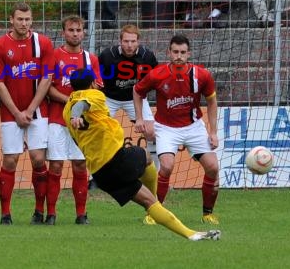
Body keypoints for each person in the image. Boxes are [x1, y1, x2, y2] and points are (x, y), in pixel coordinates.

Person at [65, 68, 220, 241]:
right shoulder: (94, 94)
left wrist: (72, 117)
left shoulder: (65, 110)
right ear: (93, 83)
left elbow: (76, 133)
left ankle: (191, 234)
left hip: (100, 173)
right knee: (145, 156)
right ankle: (159, 200)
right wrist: (75, 116)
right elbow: (81, 105)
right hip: (117, 159)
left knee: (149, 204)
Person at [133, 34, 220, 226]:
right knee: (166, 166)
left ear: (189, 54)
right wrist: (140, 118)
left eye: (182, 52)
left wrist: (213, 132)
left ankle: (207, 214)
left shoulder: (201, 75)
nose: (178, 56)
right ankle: (155, 212)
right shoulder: (158, 74)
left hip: (194, 127)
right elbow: (138, 92)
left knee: (213, 168)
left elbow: (212, 101)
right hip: (166, 128)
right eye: (175, 52)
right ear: (169, 53)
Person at [0, 2, 55, 225]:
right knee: (10, 161)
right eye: (19, 19)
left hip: (37, 111)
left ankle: (39, 211)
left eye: (27, 19)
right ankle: (5, 213)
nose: (24, 23)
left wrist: (30, 110)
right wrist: (17, 112)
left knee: (38, 159)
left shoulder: (43, 43)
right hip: (10, 112)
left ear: (32, 20)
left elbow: (47, 79)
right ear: (11, 20)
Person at [45, 16, 103, 225]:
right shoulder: (53, 56)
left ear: (84, 32)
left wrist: (79, 103)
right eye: (71, 30)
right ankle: (51, 213)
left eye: (79, 30)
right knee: (56, 166)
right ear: (63, 33)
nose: (75, 33)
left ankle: (81, 214)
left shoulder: (91, 59)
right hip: (58, 119)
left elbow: (96, 88)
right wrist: (71, 101)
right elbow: (48, 87)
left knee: (79, 165)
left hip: (81, 122)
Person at [98, 24, 158, 171]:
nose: (129, 45)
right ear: (120, 41)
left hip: (135, 98)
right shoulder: (107, 55)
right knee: (98, 132)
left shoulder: (147, 56)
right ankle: (96, 176)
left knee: (152, 133)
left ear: (138, 41)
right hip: (109, 97)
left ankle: (157, 174)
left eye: (133, 41)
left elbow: (156, 80)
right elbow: (96, 78)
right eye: (126, 41)